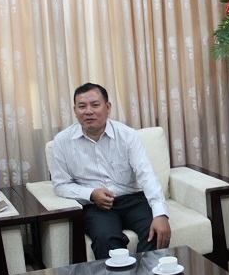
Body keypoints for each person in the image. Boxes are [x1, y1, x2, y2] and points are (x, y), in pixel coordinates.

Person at [51, 83, 171, 260]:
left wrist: (160, 213)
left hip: (133, 199)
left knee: (155, 232)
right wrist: (91, 194)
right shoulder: (62, 142)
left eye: (95, 105)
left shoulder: (127, 135)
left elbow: (146, 174)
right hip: (96, 206)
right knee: (105, 239)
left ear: (108, 108)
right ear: (75, 111)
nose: (88, 111)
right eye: (82, 106)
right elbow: (60, 185)